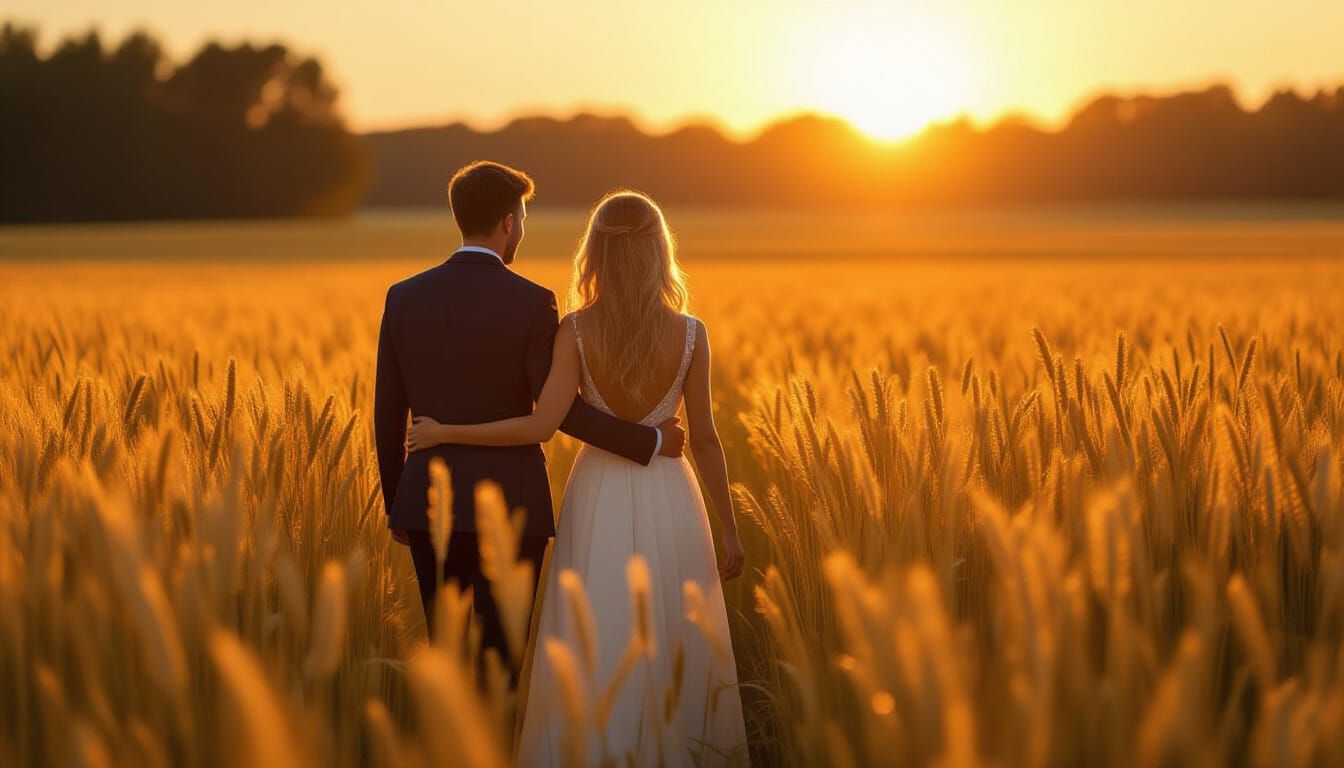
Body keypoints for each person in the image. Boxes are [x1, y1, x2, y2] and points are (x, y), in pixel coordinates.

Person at [406, 190, 749, 766]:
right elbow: (708, 439)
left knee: (598, 629)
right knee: (675, 630)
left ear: (594, 254)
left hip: (599, 495)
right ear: (659, 252)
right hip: (673, 491)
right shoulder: (692, 333)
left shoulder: (576, 330)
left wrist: (448, 432)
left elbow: (544, 423)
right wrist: (731, 529)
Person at [373, 162, 685, 680]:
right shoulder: (532, 301)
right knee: (503, 664)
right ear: (509, 223)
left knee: (447, 660)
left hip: (424, 500)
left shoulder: (404, 296)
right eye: (522, 215)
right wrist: (646, 439)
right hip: (514, 506)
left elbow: (388, 411)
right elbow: (558, 412)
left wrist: (396, 505)